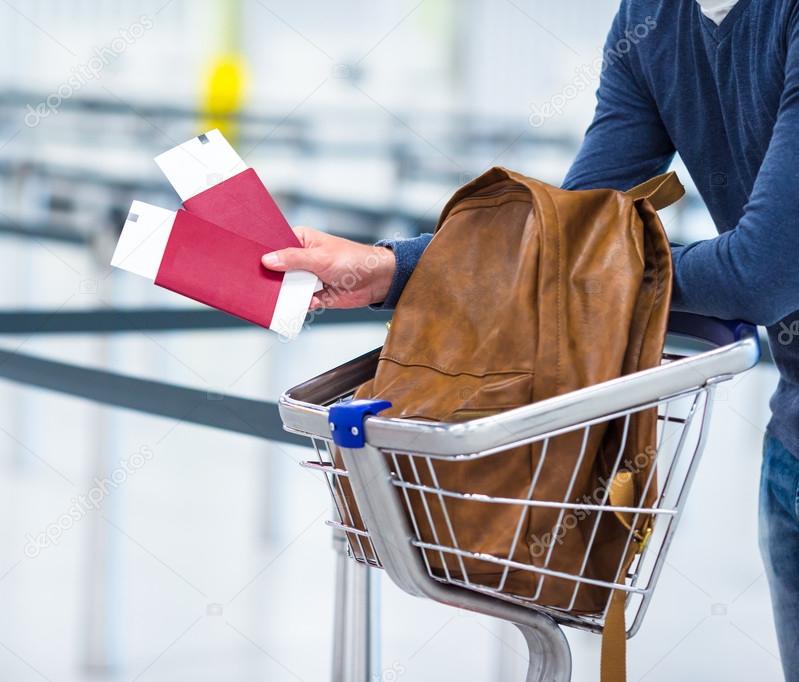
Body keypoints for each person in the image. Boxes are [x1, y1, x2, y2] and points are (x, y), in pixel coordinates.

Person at [261, 1, 799, 678]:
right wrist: (389, 268)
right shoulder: (650, 19)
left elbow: (761, 274)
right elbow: (569, 245)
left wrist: (612, 276)